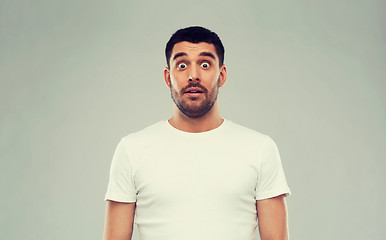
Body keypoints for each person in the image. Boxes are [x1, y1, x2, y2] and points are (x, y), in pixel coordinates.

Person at [103, 26, 291, 240]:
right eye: (182, 65)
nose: (193, 75)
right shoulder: (132, 149)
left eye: (205, 64)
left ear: (221, 76)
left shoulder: (260, 149)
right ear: (168, 77)